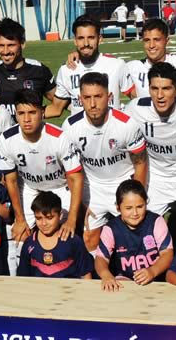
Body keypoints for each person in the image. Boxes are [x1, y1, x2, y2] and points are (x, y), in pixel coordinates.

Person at [62, 72, 148, 251]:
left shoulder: (126, 124)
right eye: (87, 97)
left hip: (124, 183)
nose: (92, 104)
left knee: (134, 236)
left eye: (98, 97)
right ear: (80, 99)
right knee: (89, 238)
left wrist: (136, 197)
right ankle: (95, 277)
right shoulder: (70, 127)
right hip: (92, 186)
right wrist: (81, 203)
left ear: (109, 97)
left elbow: (140, 162)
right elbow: (70, 170)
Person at [123, 63, 176, 233]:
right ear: (148, 89)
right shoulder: (135, 109)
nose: (160, 95)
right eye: (154, 88)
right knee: (140, 228)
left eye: (166, 89)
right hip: (156, 179)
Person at [0, 89, 84, 244]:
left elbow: (75, 178)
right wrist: (19, 219)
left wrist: (71, 218)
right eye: (21, 113)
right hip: (29, 188)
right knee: (19, 236)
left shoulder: (59, 138)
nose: (26, 119)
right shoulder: (6, 139)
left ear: (42, 112)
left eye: (32, 112)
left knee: (64, 236)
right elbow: (11, 181)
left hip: (59, 188)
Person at [45, 15, 133, 118]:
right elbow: (56, 108)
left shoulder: (117, 65)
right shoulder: (66, 70)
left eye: (91, 38)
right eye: (81, 38)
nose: (86, 43)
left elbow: (136, 98)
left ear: (99, 39)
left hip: (113, 132)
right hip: (80, 133)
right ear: (75, 40)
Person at [95, 179, 173, 292]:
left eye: (140, 206)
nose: (135, 213)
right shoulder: (110, 228)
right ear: (118, 207)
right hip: (124, 281)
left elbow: (167, 254)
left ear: (146, 203)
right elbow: (101, 258)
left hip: (155, 279)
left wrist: (152, 271)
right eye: (128, 208)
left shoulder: (156, 221)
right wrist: (106, 275)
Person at [0, 18, 56, 117]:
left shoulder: (38, 70)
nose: (5, 51)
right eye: (1, 45)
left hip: (28, 132)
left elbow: (59, 103)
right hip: (0, 132)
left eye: (11, 45)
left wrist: (37, 113)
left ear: (22, 44)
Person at [17, 191, 92, 279]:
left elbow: (86, 274)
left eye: (49, 218)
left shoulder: (73, 241)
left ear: (60, 216)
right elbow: (23, 278)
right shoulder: (29, 243)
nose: (44, 223)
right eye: (38, 218)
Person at [125, 18, 176, 99]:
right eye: (147, 40)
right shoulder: (133, 67)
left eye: (156, 40)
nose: (151, 45)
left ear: (167, 41)